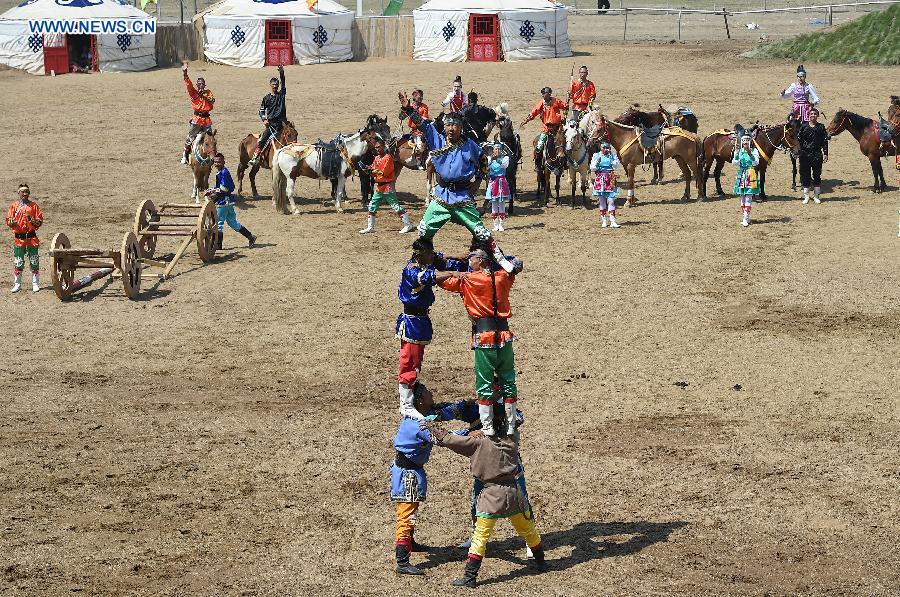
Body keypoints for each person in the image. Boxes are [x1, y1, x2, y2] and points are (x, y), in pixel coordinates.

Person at [422, 406, 546, 588]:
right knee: (528, 530)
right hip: (514, 494)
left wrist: (431, 426)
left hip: (490, 497)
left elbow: (448, 438)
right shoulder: (512, 439)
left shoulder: (477, 443)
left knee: (480, 537)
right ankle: (542, 563)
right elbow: (514, 419)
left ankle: (470, 577)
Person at [398, 91, 515, 273]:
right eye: (448, 125)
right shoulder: (436, 139)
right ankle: (419, 263)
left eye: (455, 126)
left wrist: (478, 181)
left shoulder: (470, 145)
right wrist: (408, 108)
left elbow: (483, 161)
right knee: (423, 231)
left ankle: (500, 259)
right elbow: (422, 123)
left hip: (462, 198)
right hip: (440, 197)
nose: (451, 129)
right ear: (444, 127)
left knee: (481, 232)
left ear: (461, 128)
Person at [391, 382, 479, 575]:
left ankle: (410, 543)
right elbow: (444, 437)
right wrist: (470, 434)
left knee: (411, 510)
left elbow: (444, 412)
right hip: (408, 474)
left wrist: (464, 404)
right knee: (407, 514)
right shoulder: (419, 424)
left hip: (409, 470)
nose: (433, 397)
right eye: (430, 394)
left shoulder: (420, 415)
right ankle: (402, 560)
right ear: (421, 401)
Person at [438, 248, 523, 435]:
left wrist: (449, 263)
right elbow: (517, 264)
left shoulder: (468, 279)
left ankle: (487, 427)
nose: (469, 262)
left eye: (472, 259)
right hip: (504, 336)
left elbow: (441, 280)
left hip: (484, 337)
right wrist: (498, 256)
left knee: (484, 382)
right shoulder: (502, 277)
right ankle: (510, 424)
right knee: (508, 380)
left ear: (482, 261)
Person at [395, 238, 467, 419]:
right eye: (429, 254)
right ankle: (405, 404)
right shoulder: (412, 271)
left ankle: (411, 399)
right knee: (409, 362)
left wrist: (456, 255)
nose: (433, 256)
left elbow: (438, 256)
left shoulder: (422, 259)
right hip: (412, 321)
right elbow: (429, 277)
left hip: (420, 319)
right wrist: (452, 273)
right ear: (420, 255)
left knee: (416, 362)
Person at [359, 137, 414, 234]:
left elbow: (383, 173)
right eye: (376, 147)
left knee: (396, 206)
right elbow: (374, 172)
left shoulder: (388, 158)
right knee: (372, 207)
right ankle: (370, 227)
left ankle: (408, 225)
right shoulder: (377, 158)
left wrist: (371, 170)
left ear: (384, 147)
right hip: (379, 188)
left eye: (379, 147)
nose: (377, 149)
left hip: (387, 187)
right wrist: (368, 170)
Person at [204, 153, 257, 249]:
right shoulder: (222, 172)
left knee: (219, 223)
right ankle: (250, 236)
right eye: (215, 162)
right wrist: (212, 190)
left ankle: (218, 245)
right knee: (233, 223)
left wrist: (211, 191)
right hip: (228, 202)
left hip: (223, 203)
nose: (216, 164)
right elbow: (220, 187)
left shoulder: (224, 172)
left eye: (219, 162)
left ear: (223, 162)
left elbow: (224, 188)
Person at [6, 184, 43, 293]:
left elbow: (39, 221)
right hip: (19, 239)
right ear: (19, 193)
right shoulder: (14, 206)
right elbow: (8, 220)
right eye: (22, 192)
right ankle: (17, 284)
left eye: (27, 191)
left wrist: (33, 221)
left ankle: (35, 284)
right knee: (18, 262)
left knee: (34, 261)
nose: (25, 194)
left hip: (31, 238)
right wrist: (11, 222)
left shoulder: (34, 206)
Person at [249, 65, 287, 166]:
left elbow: (284, 83)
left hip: (282, 124)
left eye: (276, 84)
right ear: (270, 85)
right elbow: (261, 110)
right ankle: (255, 157)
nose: (275, 86)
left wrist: (281, 73)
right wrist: (264, 119)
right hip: (271, 125)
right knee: (262, 140)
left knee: (291, 137)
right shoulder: (266, 98)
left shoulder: (281, 95)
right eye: (273, 84)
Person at [181, 62, 215, 165]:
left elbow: (212, 101)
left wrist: (204, 95)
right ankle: (184, 156)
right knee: (190, 137)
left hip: (207, 120)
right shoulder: (193, 93)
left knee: (210, 138)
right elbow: (188, 83)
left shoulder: (208, 92)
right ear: (197, 85)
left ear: (204, 85)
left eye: (202, 84)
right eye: (199, 84)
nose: (201, 85)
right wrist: (185, 73)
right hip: (197, 119)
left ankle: (211, 156)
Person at [796, 107, 829, 204]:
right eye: (811, 114)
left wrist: (826, 153)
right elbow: (798, 140)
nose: (813, 115)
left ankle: (816, 196)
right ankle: (806, 196)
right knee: (805, 175)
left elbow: (825, 141)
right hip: (805, 155)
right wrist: (798, 151)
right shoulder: (803, 126)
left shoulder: (821, 127)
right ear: (808, 115)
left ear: (817, 116)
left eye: (815, 114)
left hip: (817, 154)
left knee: (817, 175)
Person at [521, 87, 568, 153]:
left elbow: (565, 107)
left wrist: (564, 116)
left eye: (544, 93)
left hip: (558, 128)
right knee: (539, 146)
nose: (542, 95)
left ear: (549, 94)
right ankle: (538, 162)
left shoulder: (556, 101)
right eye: (542, 93)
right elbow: (534, 112)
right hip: (547, 128)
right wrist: (526, 120)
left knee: (566, 142)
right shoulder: (541, 103)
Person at [591, 142, 621, 228]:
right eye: (603, 148)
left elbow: (617, 166)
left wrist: (613, 160)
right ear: (600, 148)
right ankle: (604, 220)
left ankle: (613, 221)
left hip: (610, 178)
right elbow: (592, 168)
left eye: (607, 148)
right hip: (600, 178)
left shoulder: (612, 155)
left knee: (611, 200)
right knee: (602, 201)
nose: (605, 149)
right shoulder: (596, 155)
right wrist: (597, 162)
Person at [732, 135, 760, 227]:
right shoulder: (739, 151)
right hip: (741, 174)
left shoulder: (754, 151)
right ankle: (745, 216)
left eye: (747, 140)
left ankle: (745, 218)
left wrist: (750, 154)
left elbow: (756, 162)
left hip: (750, 173)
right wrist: (736, 154)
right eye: (744, 140)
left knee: (748, 196)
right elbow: (734, 163)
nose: (745, 142)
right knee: (742, 197)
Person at [485, 144, 510, 232]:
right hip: (493, 182)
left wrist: (498, 160)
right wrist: (491, 159)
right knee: (494, 203)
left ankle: (501, 224)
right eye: (495, 149)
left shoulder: (505, 158)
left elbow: (505, 165)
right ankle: (495, 224)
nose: (497, 151)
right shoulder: (489, 158)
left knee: (502, 204)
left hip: (501, 182)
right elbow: (485, 166)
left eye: (499, 149)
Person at [404, 89, 430, 156]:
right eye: (419, 97)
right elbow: (401, 117)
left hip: (421, 130)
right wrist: (404, 108)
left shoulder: (424, 107)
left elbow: (424, 118)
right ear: (414, 97)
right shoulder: (410, 107)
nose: (421, 98)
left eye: (422, 97)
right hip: (414, 131)